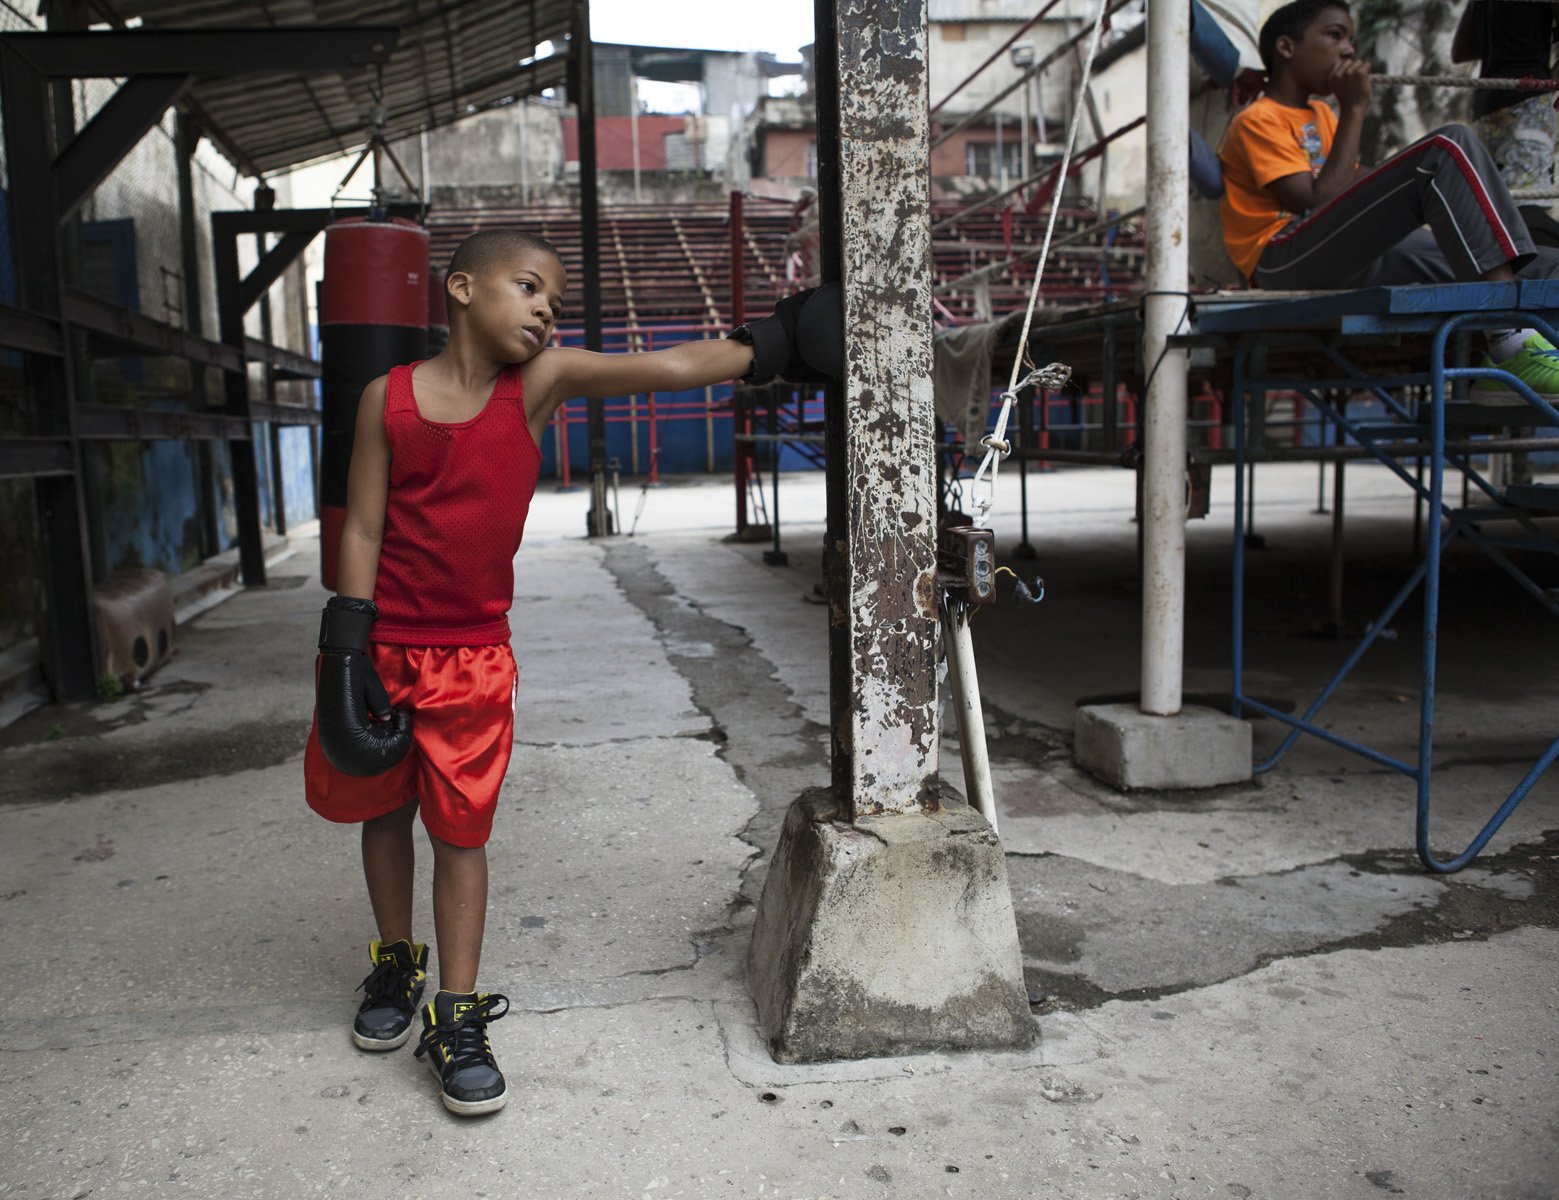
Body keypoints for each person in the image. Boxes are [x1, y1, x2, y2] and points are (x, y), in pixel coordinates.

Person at [304, 229, 835, 1116]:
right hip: (384, 646)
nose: (548, 307)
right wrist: (345, 644)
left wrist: (774, 340)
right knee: (382, 810)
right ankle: (395, 962)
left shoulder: (537, 386)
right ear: (463, 288)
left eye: (556, 297)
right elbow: (359, 528)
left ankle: (457, 1014)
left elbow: (667, 368)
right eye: (529, 287)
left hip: (473, 657)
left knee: (462, 835)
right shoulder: (384, 399)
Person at [1217, 0, 1559, 402]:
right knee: (1446, 149)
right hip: (1282, 261)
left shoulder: (1322, 118)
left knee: (1545, 261)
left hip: (1355, 256)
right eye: (1333, 35)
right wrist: (1355, 107)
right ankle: (1507, 341)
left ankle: (1500, 368)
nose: (1349, 49)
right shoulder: (1259, 119)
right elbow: (1316, 202)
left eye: (1349, 37)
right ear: (1287, 48)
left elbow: (1350, 185)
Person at [1452, 0, 1559, 248]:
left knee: (1507, 212)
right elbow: (1460, 52)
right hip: (1524, 102)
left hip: (1491, 103)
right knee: (1518, 213)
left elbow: (1462, 50)